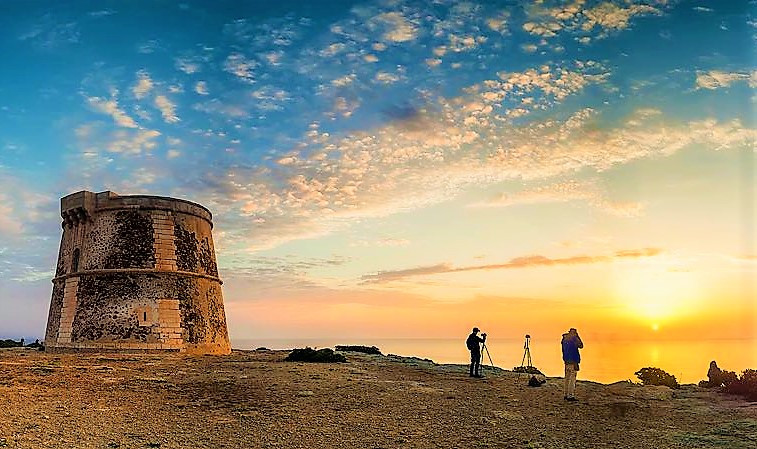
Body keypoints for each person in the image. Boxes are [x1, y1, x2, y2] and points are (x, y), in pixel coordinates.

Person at [561, 327, 583, 401]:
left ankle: (566, 394)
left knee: (567, 378)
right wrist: (577, 336)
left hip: (566, 361)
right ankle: (570, 395)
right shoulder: (574, 339)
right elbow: (581, 345)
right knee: (572, 379)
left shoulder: (564, 339)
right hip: (573, 361)